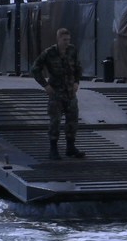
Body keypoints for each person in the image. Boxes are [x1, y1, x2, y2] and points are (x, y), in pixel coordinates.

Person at [30, 27, 86, 160]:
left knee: (72, 121)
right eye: (64, 40)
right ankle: (53, 149)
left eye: (68, 39)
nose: (67, 42)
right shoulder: (49, 53)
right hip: (56, 93)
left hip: (70, 93)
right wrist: (45, 85)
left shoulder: (72, 50)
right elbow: (35, 68)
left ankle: (70, 147)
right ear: (58, 39)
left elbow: (78, 67)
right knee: (55, 121)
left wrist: (77, 82)